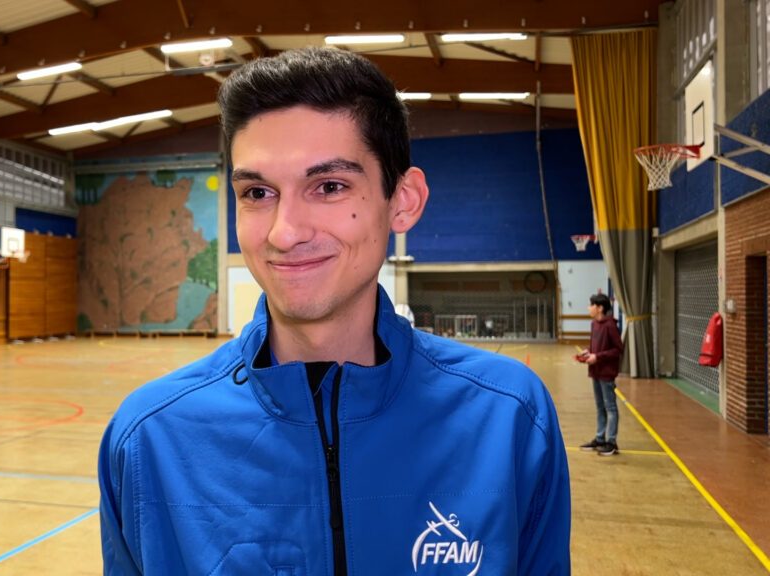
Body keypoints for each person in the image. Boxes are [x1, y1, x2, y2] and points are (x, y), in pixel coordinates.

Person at [98, 47, 570, 575]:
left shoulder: (508, 418)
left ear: (403, 200)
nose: (285, 232)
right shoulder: (149, 441)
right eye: (257, 192)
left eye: (328, 186)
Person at [577, 293, 624, 456]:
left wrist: (598, 357)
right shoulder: (594, 324)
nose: (589, 308)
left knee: (610, 406)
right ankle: (600, 437)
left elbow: (618, 350)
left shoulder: (610, 325)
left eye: (591, 305)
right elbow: (597, 347)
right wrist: (588, 353)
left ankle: (611, 441)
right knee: (600, 407)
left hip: (606, 372)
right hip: (595, 371)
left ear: (600, 308)